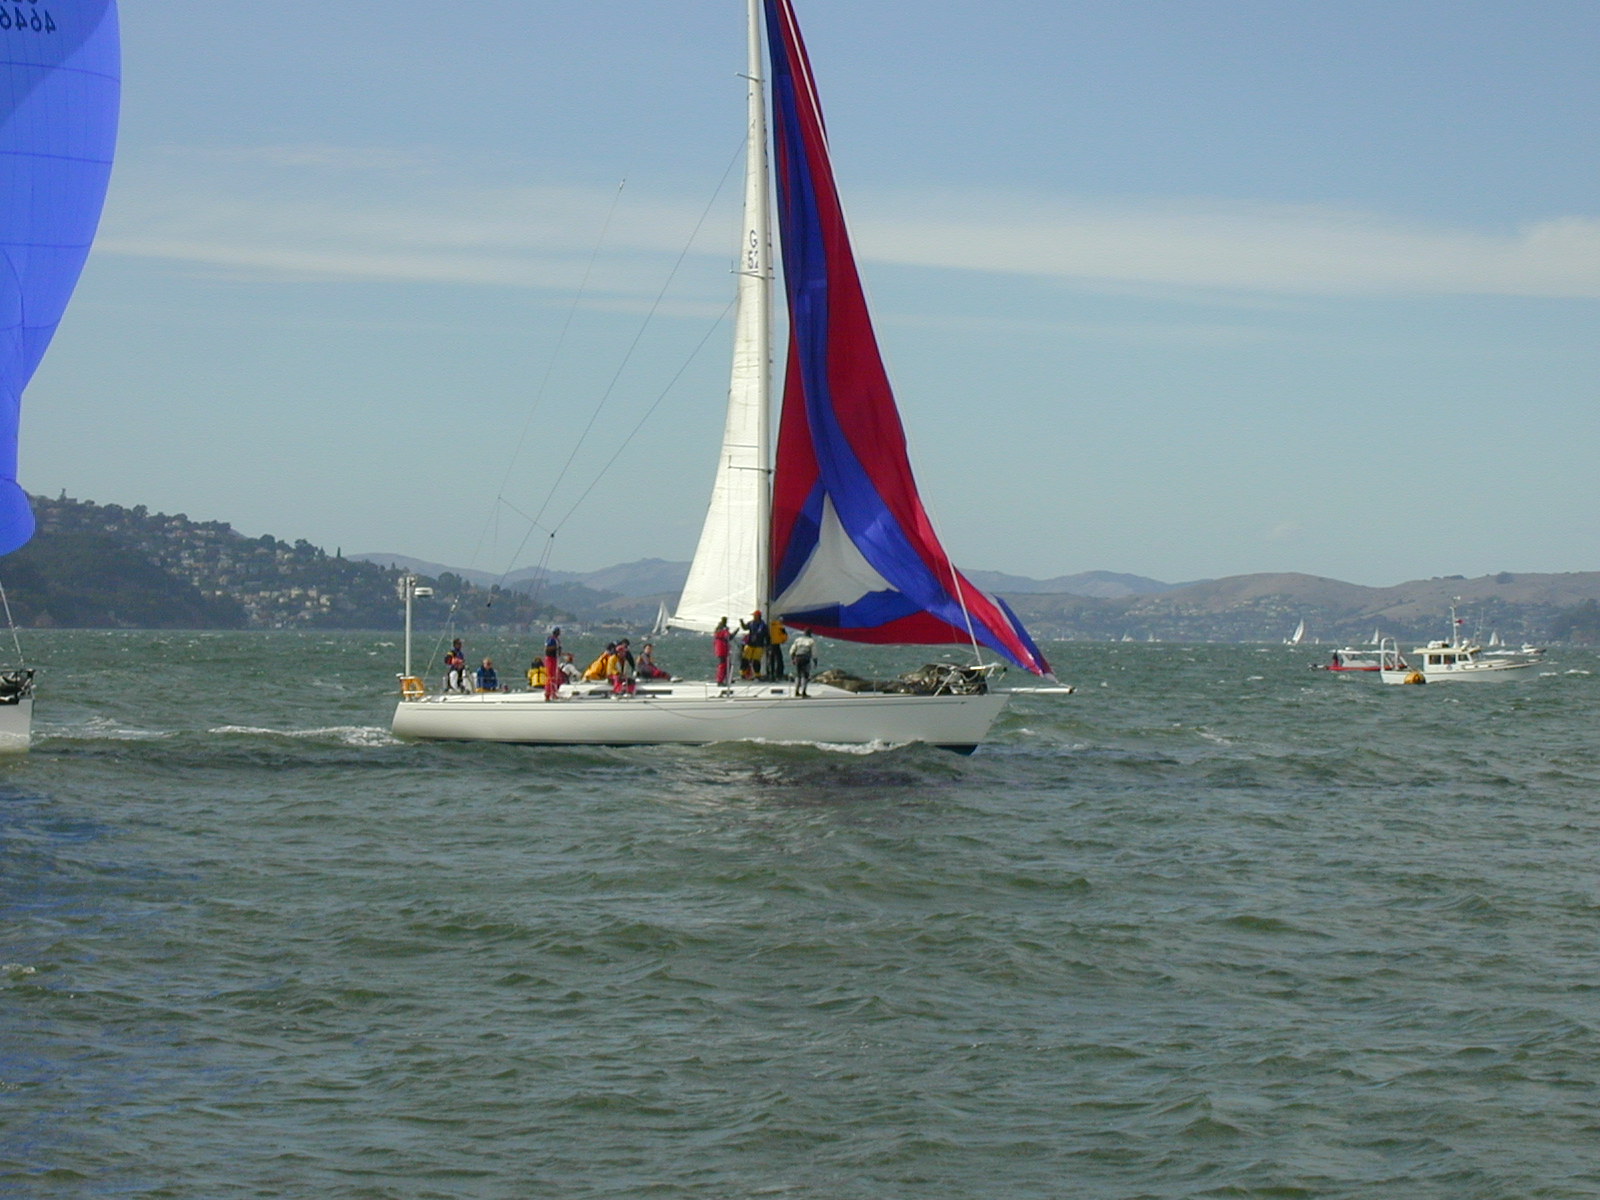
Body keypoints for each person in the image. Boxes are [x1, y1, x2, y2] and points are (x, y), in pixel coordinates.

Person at [740, 610, 768, 680]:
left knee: (756, 661)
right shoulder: (751, 623)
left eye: (755, 615)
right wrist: (741, 622)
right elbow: (745, 628)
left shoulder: (763, 625)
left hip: (759, 645)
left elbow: (767, 635)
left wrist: (768, 644)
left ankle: (757, 674)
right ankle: (743, 673)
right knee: (745, 659)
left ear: (758, 616)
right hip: (750, 644)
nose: (754, 617)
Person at [789, 627, 816, 696]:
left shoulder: (798, 640)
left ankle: (796, 691)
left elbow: (792, 650)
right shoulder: (811, 641)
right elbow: (814, 653)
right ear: (810, 634)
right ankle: (804, 692)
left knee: (798, 675)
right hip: (805, 658)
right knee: (805, 675)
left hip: (798, 658)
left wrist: (792, 659)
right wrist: (815, 661)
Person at [543, 626, 563, 701]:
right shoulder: (551, 639)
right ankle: (548, 694)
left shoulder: (557, 640)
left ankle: (553, 693)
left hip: (555, 658)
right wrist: (556, 648)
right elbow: (547, 648)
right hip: (550, 659)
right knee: (550, 676)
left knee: (554, 676)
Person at [767, 615, 788, 680]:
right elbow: (784, 635)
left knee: (771, 659)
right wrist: (783, 640)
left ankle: (771, 673)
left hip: (770, 644)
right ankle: (779, 674)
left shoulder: (771, 626)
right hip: (776, 644)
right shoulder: (781, 627)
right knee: (779, 659)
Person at [713, 617, 731, 686]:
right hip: (722, 648)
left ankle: (725, 678)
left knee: (726, 664)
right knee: (723, 664)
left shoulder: (720, 628)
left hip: (721, 647)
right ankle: (720, 680)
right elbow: (728, 637)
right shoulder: (723, 629)